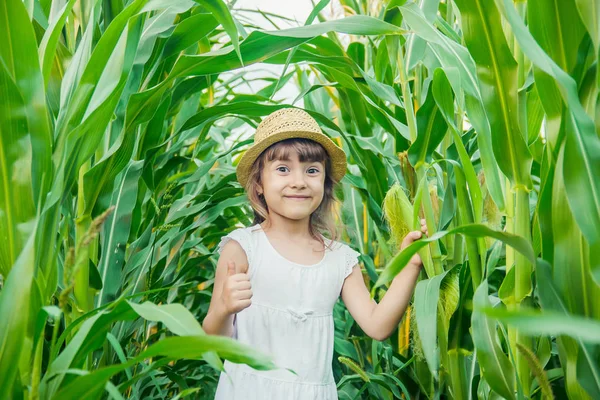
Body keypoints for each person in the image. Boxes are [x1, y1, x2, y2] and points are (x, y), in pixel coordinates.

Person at [202, 108, 428, 399]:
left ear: (325, 182)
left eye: (312, 170)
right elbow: (215, 341)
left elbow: (378, 324)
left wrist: (411, 262)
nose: (299, 181)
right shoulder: (243, 248)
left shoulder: (340, 259)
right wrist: (224, 307)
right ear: (258, 183)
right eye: (283, 169)